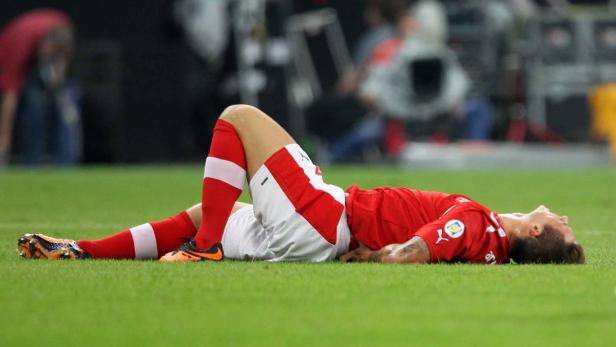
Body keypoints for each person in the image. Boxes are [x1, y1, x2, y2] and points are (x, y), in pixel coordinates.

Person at [17, 104, 584, 264]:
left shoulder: (481, 223)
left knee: (238, 118)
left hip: (323, 216)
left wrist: (388, 257)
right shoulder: (488, 243)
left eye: (561, 223)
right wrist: (376, 253)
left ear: (533, 229)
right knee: (200, 212)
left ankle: (207, 249)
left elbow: (427, 241)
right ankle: (81, 251)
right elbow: (431, 241)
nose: (562, 214)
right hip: (324, 235)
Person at [0, 9, 80, 166]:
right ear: (44, 44)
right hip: (14, 61)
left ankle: (68, 167)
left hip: (40, 66)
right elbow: (10, 98)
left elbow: (61, 61)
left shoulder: (62, 26)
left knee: (68, 108)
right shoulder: (19, 46)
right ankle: (32, 164)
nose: (52, 57)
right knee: (36, 107)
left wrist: (58, 79)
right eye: (51, 53)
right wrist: (4, 141)